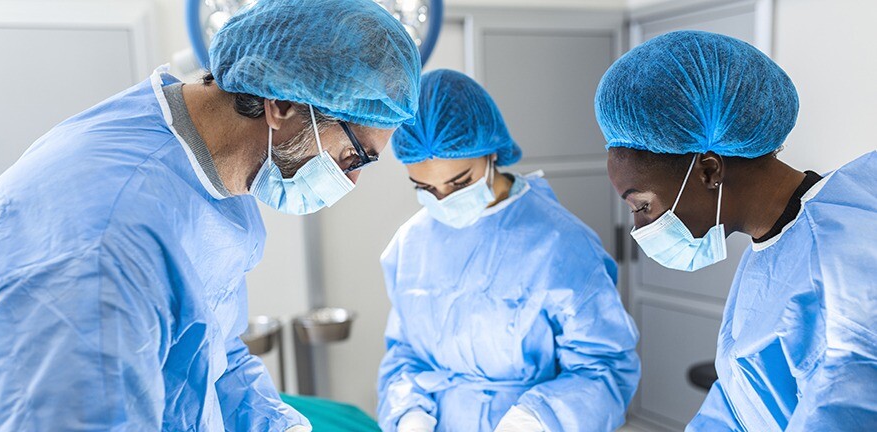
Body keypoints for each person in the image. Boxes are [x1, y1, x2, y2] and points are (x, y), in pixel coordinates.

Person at [0, 0, 420, 430]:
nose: (349, 181)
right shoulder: (111, 239)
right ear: (284, 105)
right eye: (353, 156)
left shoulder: (220, 178)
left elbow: (213, 351)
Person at [595, 30, 877, 431]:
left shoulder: (836, 268)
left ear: (709, 171)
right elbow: (740, 396)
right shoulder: (774, 247)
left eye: (642, 206)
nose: (640, 227)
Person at [376, 69, 640, 432]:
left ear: (491, 154)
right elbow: (404, 354)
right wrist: (409, 414)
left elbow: (604, 367)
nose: (444, 200)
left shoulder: (560, 242)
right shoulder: (410, 245)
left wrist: (537, 419)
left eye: (460, 182)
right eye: (425, 188)